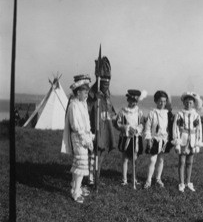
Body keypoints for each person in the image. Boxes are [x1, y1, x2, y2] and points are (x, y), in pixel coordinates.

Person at [61, 75, 94, 203]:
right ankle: (75, 192)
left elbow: (86, 123)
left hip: (84, 136)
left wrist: (89, 135)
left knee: (78, 164)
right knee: (81, 165)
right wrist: (85, 139)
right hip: (78, 137)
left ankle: (76, 187)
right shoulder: (73, 105)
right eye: (85, 92)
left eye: (87, 92)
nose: (87, 94)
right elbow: (76, 125)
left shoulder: (82, 104)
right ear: (78, 92)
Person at [87, 56, 117, 186]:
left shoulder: (107, 93)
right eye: (104, 82)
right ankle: (91, 177)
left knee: (103, 150)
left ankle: (97, 175)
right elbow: (87, 108)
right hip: (95, 126)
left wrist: (114, 115)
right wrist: (95, 98)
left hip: (106, 126)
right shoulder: (92, 92)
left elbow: (110, 107)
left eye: (108, 82)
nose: (106, 85)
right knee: (94, 152)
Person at [172, 92, 203, 192]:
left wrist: (198, 141)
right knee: (182, 161)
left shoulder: (196, 115)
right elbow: (175, 128)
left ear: (193, 103)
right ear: (183, 102)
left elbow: (199, 129)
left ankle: (188, 182)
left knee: (190, 162)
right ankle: (181, 183)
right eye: (186, 102)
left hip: (193, 141)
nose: (188, 104)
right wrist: (177, 141)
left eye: (190, 102)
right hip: (182, 140)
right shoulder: (179, 114)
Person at [143, 90, 174, 189]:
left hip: (164, 140)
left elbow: (171, 127)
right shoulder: (152, 113)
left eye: (164, 101)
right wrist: (149, 140)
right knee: (152, 160)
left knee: (161, 160)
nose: (162, 103)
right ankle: (148, 180)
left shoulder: (168, 113)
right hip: (154, 139)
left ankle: (158, 179)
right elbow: (147, 128)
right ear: (156, 101)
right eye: (160, 101)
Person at [116, 89, 146, 186]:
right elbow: (117, 123)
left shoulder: (139, 112)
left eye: (135, 101)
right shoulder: (122, 111)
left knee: (134, 159)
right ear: (128, 100)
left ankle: (134, 178)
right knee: (124, 159)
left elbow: (142, 123)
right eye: (131, 100)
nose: (133, 103)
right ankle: (124, 179)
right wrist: (126, 128)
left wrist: (137, 129)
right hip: (126, 137)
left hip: (136, 137)